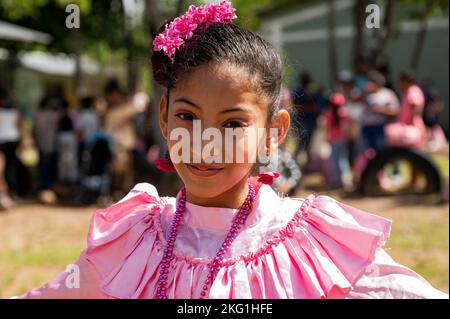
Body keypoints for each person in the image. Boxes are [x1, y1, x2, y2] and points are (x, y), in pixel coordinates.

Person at [13, 2, 447, 299]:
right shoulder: (134, 238)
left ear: (273, 132)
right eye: (187, 116)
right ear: (163, 117)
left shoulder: (310, 242)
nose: (205, 140)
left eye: (233, 123)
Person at [361, 70, 400, 151]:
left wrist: (381, 109)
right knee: (367, 153)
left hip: (381, 127)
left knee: (382, 152)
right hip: (366, 127)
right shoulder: (366, 93)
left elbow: (396, 111)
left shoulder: (388, 94)